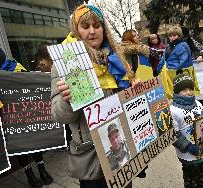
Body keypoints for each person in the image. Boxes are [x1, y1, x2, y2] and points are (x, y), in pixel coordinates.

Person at [51, 2, 138, 188]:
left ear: (103, 29)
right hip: (91, 156)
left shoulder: (117, 58)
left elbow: (126, 103)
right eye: (86, 26)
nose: (92, 31)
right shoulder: (64, 64)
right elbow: (59, 115)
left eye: (97, 26)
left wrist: (135, 91)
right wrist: (67, 101)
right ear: (76, 30)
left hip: (120, 149)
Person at [0, 44, 53, 187]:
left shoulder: (12, 68)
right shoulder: (15, 66)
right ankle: (37, 172)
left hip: (14, 114)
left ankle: (35, 173)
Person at [170, 73, 203, 188]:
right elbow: (173, 134)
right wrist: (188, 146)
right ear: (177, 92)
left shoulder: (198, 103)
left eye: (190, 89)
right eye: (184, 90)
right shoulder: (173, 111)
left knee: (201, 177)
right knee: (190, 179)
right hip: (188, 153)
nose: (188, 92)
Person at [156, 26, 200, 99]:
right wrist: (158, 70)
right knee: (174, 96)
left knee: (183, 95)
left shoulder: (183, 45)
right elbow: (163, 60)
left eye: (174, 35)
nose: (172, 37)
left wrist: (167, 68)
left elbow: (183, 62)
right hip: (169, 75)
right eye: (170, 36)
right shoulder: (168, 47)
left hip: (180, 75)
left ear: (179, 36)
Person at [181, 26, 203, 111]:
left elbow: (202, 49)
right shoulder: (175, 44)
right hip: (182, 67)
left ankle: (201, 103)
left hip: (194, 66)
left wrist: (200, 56)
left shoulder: (191, 41)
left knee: (198, 84)